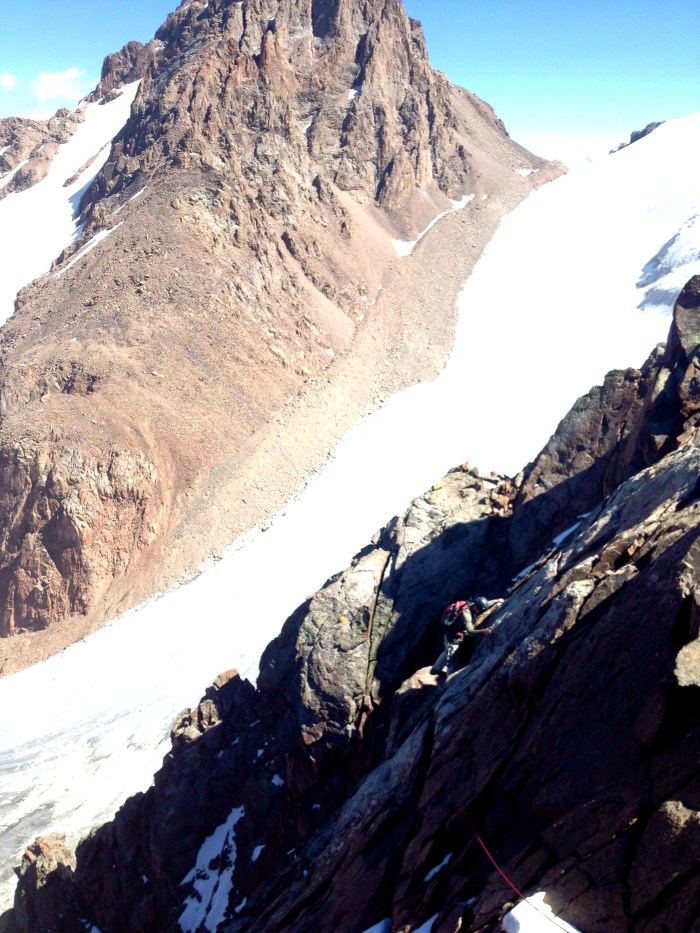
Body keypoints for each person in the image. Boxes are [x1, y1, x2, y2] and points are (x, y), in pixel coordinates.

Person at [431, 596, 503, 676]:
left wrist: (496, 600)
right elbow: (471, 631)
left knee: (447, 652)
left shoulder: (472, 605)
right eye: (479, 610)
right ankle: (449, 680)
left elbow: (485, 604)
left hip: (452, 634)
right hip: (452, 638)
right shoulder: (466, 614)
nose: (479, 612)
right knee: (452, 660)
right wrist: (483, 631)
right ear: (475, 607)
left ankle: (435, 669)